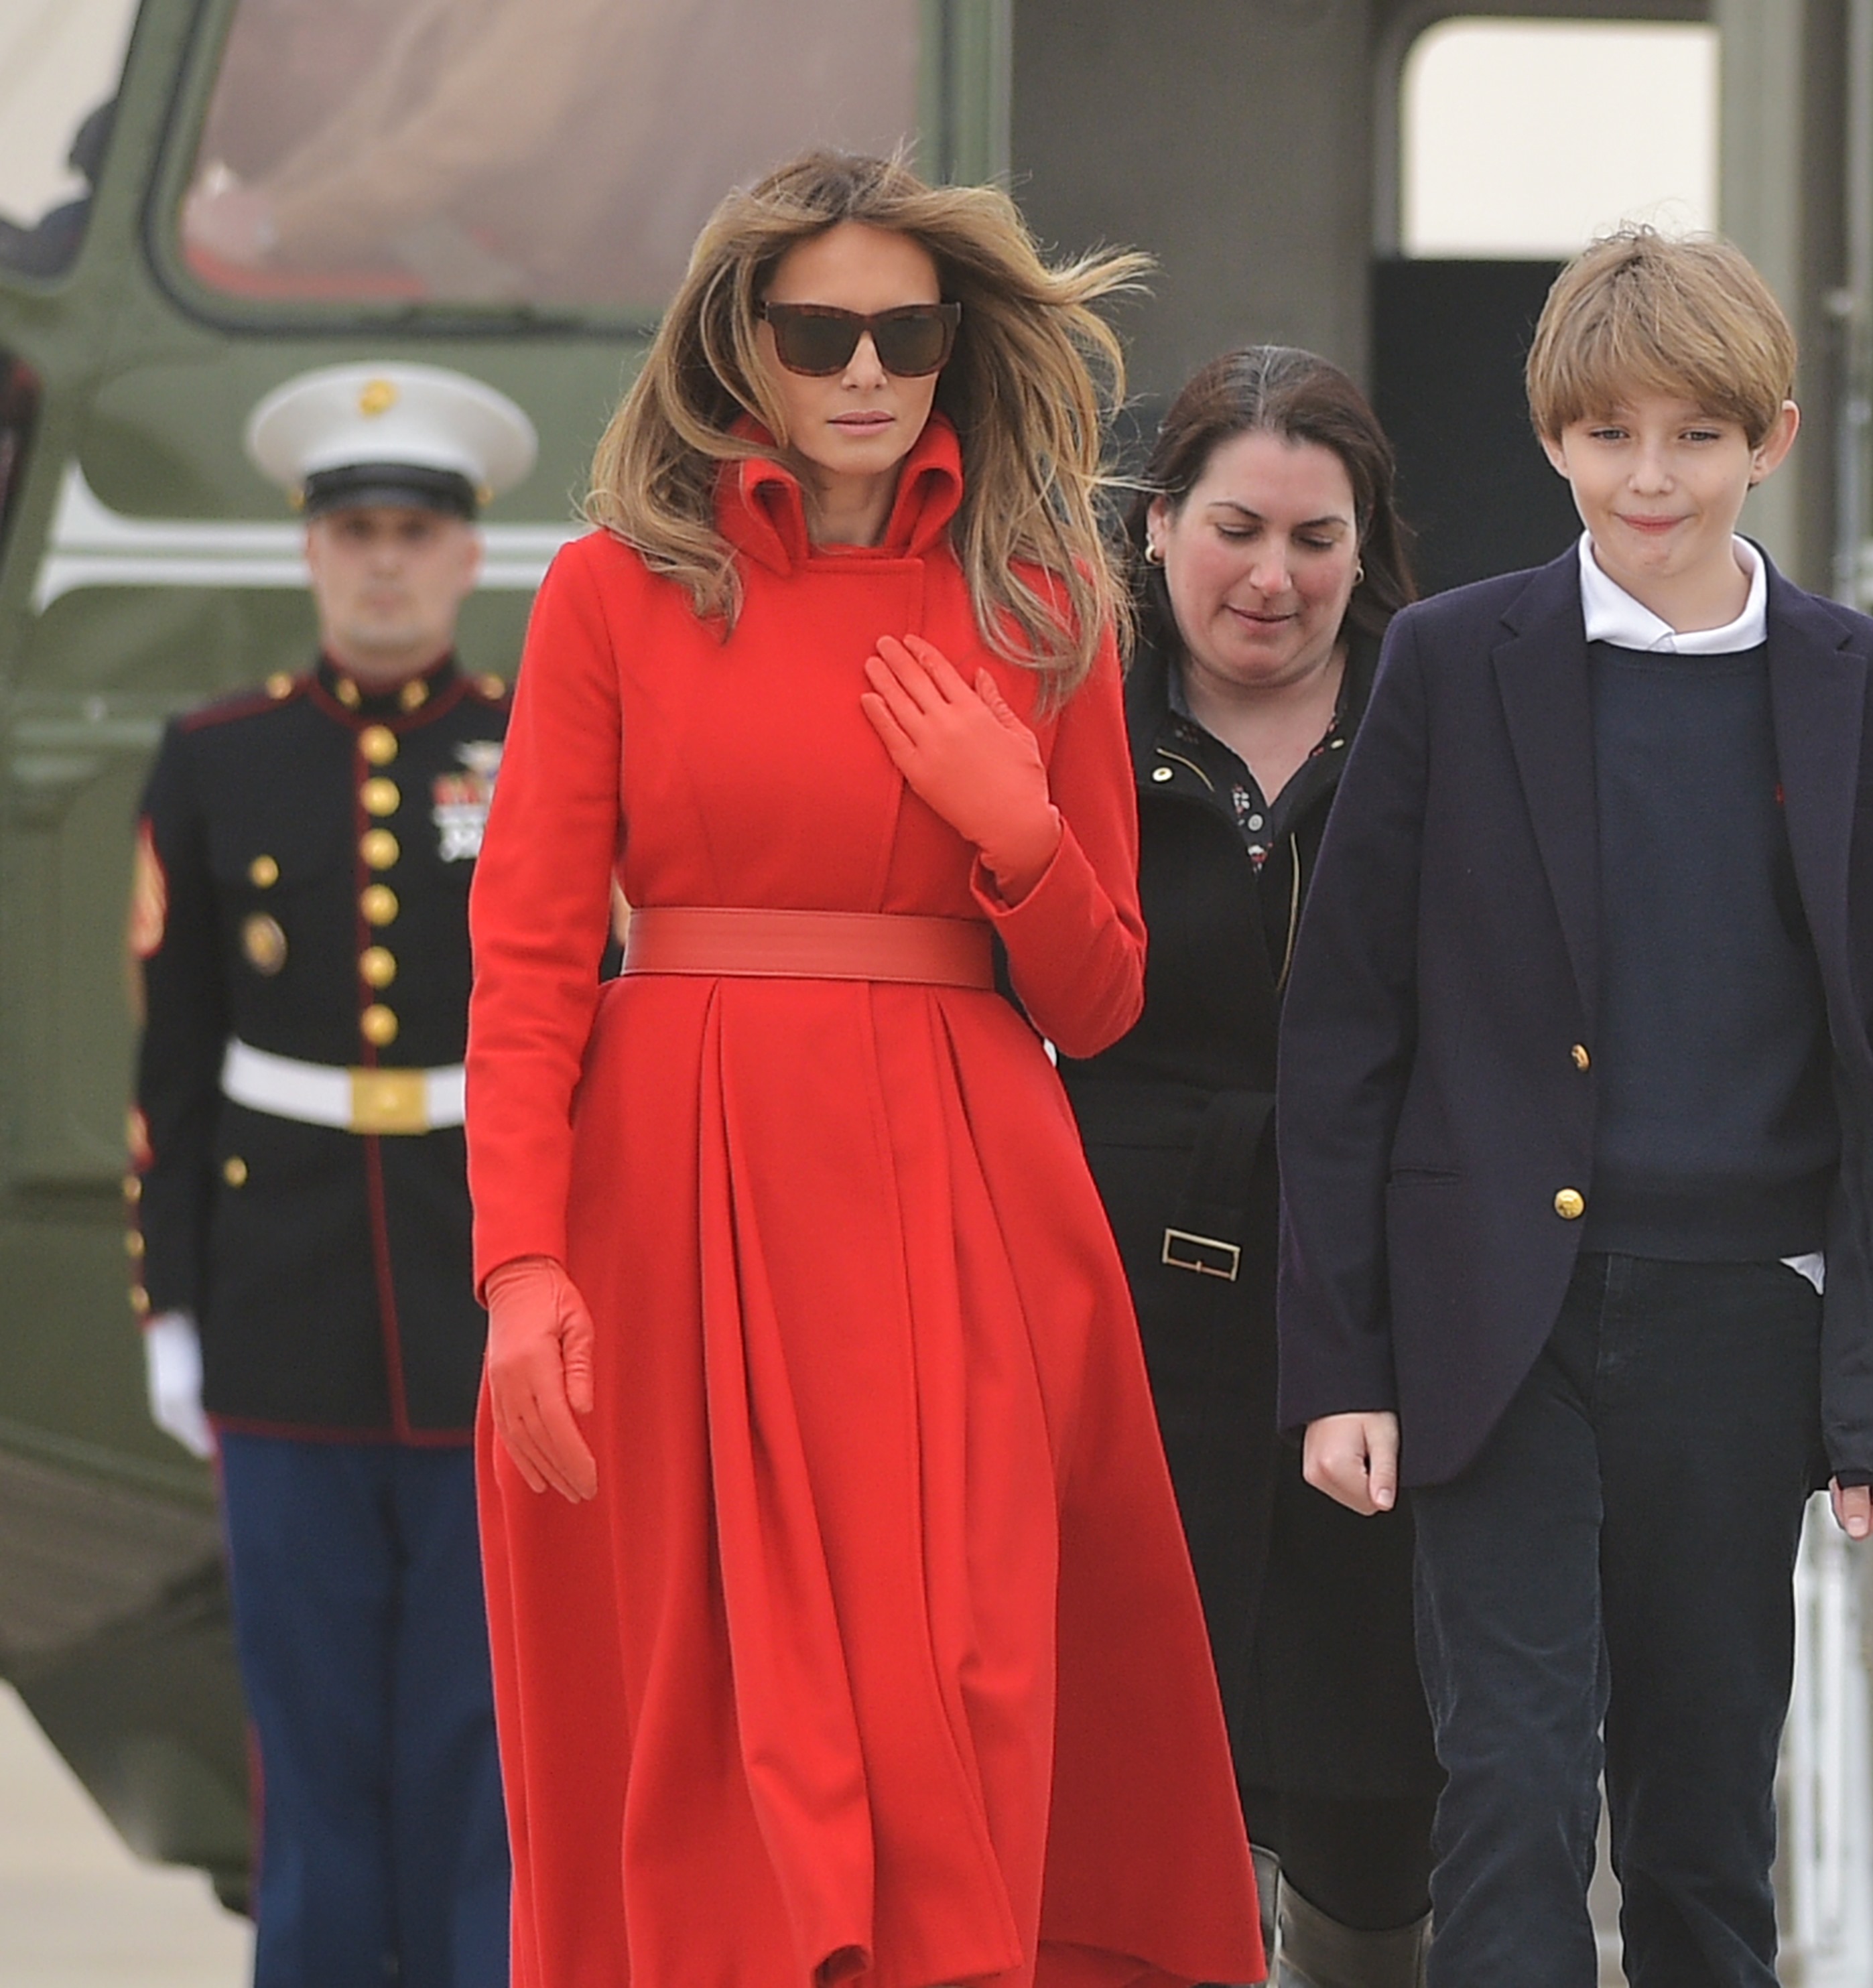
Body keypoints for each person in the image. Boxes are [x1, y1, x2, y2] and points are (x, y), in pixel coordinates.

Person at [463, 151, 1261, 1988]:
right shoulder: (606, 594)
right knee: (702, 1693)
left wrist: (1020, 832)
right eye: (817, 329)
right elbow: (522, 965)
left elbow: (1106, 996)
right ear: (737, 342)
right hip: (671, 1192)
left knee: (959, 1677)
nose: (865, 368)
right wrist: (520, 1267)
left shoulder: (1048, 592)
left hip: (958, 1186)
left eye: (907, 330)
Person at [1277, 226, 1873, 1988]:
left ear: (1772, 440)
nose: (1647, 477)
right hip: (1495, 1327)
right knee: (1510, 1792)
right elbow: (1347, 1026)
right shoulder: (1449, 661)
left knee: (1699, 1820)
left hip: (1742, 1322)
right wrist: (1342, 1362)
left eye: (1691, 435)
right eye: (1606, 435)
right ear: (1549, 442)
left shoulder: (1866, 689)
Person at [130, 358, 533, 1988]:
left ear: (462, 554)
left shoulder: (536, 751)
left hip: (482, 1308)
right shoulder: (215, 758)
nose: (383, 560)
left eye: (413, 532)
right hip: (281, 1311)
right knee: (309, 1748)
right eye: (355, 529)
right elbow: (172, 1058)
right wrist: (171, 1307)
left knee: (478, 1742)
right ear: (309, 548)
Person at [1059, 345, 1441, 1987]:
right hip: (1116, 1292)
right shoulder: (1071, 708)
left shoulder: (1447, 717)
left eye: (1315, 539)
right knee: (1136, 1754)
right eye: (1235, 527)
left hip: (1376, 1299)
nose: (1272, 577)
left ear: (1368, 551)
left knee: (1374, 1781)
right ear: (1154, 526)